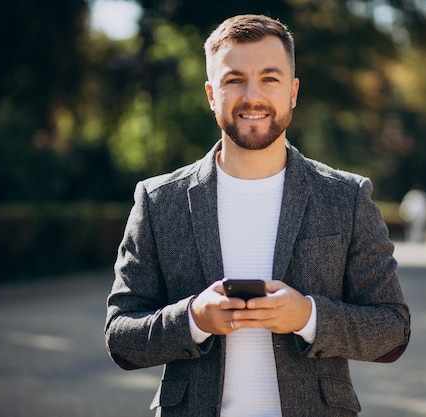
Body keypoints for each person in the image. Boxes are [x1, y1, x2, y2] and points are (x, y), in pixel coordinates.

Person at [105, 14, 410, 417]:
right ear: (212, 94)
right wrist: (193, 319)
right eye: (234, 80)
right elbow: (120, 338)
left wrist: (309, 316)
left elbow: (393, 330)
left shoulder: (346, 198)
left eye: (270, 78)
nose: (253, 96)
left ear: (293, 91)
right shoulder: (160, 201)